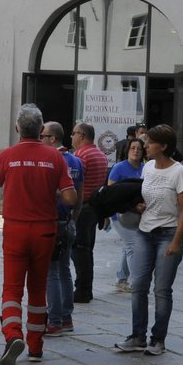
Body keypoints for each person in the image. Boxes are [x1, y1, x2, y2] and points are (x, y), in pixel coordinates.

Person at [0, 107, 77, 365]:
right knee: (37, 290)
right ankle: (36, 347)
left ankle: (13, 335)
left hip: (15, 229)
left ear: (17, 129)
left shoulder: (8, 156)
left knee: (12, 289)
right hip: (45, 231)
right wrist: (50, 194)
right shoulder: (55, 158)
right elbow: (71, 199)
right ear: (41, 130)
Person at [116, 124, 183, 355]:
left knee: (161, 289)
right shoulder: (148, 168)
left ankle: (158, 339)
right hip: (144, 232)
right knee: (138, 285)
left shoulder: (179, 172)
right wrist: (138, 206)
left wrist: (177, 240)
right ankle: (137, 335)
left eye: (149, 142)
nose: (144, 146)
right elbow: (144, 195)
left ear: (164, 146)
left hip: (168, 233)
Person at [39, 121, 84, 339]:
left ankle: (54, 321)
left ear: (53, 139)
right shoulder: (76, 161)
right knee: (65, 270)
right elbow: (79, 197)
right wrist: (72, 219)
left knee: (52, 272)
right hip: (68, 222)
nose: (40, 139)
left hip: (53, 221)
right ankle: (67, 318)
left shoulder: (50, 160)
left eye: (44, 136)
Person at [69, 122, 109, 302]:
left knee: (79, 250)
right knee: (87, 249)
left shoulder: (80, 155)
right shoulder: (100, 154)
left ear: (82, 136)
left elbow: (75, 184)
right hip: (94, 207)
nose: (72, 137)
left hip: (82, 208)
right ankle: (86, 288)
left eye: (74, 133)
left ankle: (82, 290)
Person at [108, 137, 146, 291]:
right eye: (133, 148)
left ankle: (121, 279)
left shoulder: (145, 168)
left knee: (127, 246)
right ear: (127, 150)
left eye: (139, 149)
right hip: (120, 214)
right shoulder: (119, 168)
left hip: (137, 214)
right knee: (132, 245)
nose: (136, 151)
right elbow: (110, 193)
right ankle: (137, 283)